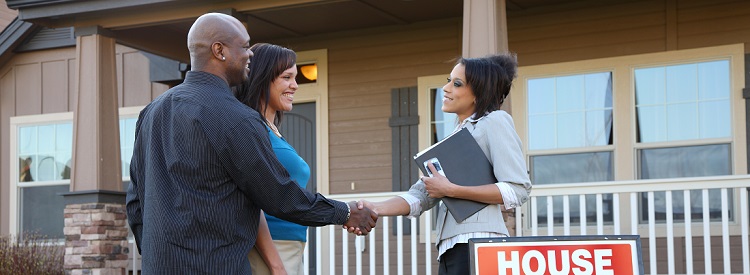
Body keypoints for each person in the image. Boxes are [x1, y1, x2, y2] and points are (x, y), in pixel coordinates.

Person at [125, 13, 377, 274]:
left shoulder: (152, 113)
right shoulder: (236, 118)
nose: (250, 55)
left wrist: (159, 254)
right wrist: (345, 213)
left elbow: (135, 202)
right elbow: (279, 195)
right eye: (244, 47)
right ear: (219, 51)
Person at [354, 53, 532, 275]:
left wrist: (452, 190)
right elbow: (420, 197)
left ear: (477, 94)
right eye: (448, 80)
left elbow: (518, 189)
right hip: (449, 249)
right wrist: (375, 208)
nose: (446, 88)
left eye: (456, 84)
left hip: (480, 245)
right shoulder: (455, 138)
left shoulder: (494, 121)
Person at [234, 43, 308, 275]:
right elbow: (249, 202)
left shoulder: (272, 132)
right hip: (270, 250)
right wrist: (275, 264)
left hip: (291, 246)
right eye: (287, 77)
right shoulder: (252, 130)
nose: (294, 85)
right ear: (263, 78)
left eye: (295, 78)